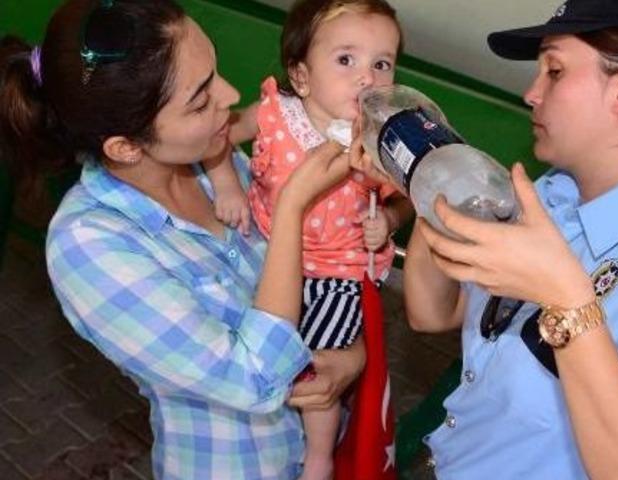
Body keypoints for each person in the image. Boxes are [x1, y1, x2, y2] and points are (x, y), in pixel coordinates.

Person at [0, 1, 366, 479]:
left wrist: (351, 357)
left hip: (326, 443)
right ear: (126, 147)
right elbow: (255, 378)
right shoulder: (87, 248)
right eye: (199, 100)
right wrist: (294, 205)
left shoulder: (210, 160)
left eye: (214, 74)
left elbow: (320, 277)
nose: (231, 95)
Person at [395, 0, 618, 478]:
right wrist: (432, 179)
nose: (531, 92)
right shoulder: (552, 195)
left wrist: (568, 302)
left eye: (555, 70)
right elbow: (433, 312)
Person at [202, 1, 413, 478]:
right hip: (266, 250)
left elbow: (408, 197)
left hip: (338, 272)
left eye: (382, 63)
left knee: (318, 363)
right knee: (255, 342)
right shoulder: (277, 114)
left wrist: (392, 221)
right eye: (346, 60)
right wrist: (227, 183)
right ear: (301, 76)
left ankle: (318, 456)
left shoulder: (379, 140)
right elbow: (220, 132)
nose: (367, 78)